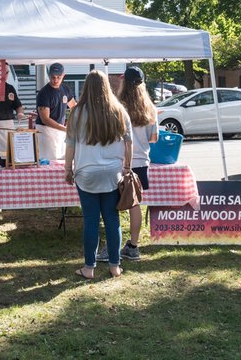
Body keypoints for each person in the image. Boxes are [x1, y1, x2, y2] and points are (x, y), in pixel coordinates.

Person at [64, 70, 132, 279]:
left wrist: (68, 169)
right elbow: (129, 143)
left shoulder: (76, 113)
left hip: (86, 173)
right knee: (112, 220)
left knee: (91, 221)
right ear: (106, 87)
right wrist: (127, 167)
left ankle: (89, 268)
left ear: (86, 87)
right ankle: (114, 266)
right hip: (113, 173)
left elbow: (70, 146)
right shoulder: (119, 110)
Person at [98, 67, 158, 262]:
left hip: (119, 161)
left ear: (124, 82)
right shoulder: (150, 108)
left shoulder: (117, 106)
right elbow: (154, 138)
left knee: (110, 206)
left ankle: (110, 248)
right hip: (141, 162)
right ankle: (133, 246)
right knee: (135, 206)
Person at [36, 63, 77, 160]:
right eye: (53, 77)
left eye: (58, 77)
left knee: (62, 159)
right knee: (48, 160)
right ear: (49, 75)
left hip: (60, 131)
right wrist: (64, 128)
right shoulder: (44, 93)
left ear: (63, 75)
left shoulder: (65, 89)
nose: (55, 80)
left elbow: (74, 107)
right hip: (46, 131)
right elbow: (45, 119)